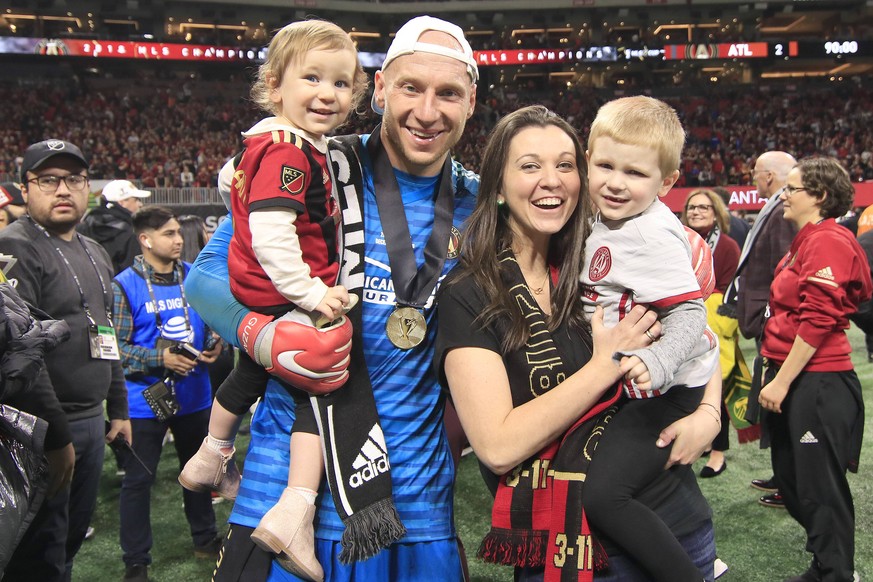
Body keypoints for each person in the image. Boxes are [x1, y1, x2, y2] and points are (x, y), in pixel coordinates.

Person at [185, 15, 480, 582]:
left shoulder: (480, 203)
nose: (427, 111)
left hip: (413, 499)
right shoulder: (310, 163)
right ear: (381, 89)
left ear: (471, 100)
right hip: (282, 489)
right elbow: (203, 279)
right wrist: (263, 336)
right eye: (411, 88)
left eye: (448, 93)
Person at [436, 105, 721, 582]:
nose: (552, 180)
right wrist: (606, 364)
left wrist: (707, 413)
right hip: (567, 545)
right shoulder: (469, 292)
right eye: (530, 166)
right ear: (498, 185)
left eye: (565, 165)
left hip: (675, 527)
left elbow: (695, 325)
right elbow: (499, 446)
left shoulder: (599, 250)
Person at [178, 20, 367, 580]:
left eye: (341, 83)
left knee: (248, 374)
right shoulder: (289, 153)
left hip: (255, 290)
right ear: (274, 83)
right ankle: (296, 511)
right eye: (312, 77)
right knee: (327, 382)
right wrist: (310, 293)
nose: (328, 93)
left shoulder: (270, 141)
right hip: (282, 292)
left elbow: (235, 184)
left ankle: (211, 452)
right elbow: (272, 234)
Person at [574, 96, 718, 581]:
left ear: (668, 182)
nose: (615, 182)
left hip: (671, 389)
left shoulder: (653, 233)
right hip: (637, 383)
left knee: (603, 495)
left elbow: (690, 314)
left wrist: (657, 362)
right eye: (605, 165)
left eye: (634, 173)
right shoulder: (602, 218)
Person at [0, 139, 131, 582]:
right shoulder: (15, 246)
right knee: (39, 552)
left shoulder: (93, 249)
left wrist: (119, 406)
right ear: (26, 188)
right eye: (48, 180)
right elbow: (21, 355)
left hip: (90, 419)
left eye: (73, 180)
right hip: (39, 428)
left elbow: (105, 329)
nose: (62, 190)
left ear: (87, 188)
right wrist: (55, 437)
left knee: (70, 539)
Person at [756, 156, 871, 582]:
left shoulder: (828, 240)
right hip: (799, 375)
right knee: (792, 479)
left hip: (817, 379)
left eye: (793, 188)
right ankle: (827, 563)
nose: (784, 195)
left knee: (820, 486)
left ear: (819, 196)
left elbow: (820, 318)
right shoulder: (808, 239)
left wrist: (782, 382)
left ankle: (837, 573)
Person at [112, 206, 224, 582]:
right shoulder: (124, 284)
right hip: (145, 400)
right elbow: (118, 349)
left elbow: (211, 322)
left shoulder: (193, 276)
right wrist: (159, 358)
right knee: (138, 481)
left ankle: (205, 538)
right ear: (145, 240)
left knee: (198, 474)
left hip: (195, 395)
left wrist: (213, 342)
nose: (178, 240)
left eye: (178, 232)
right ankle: (136, 560)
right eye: (168, 233)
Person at [722, 150, 797, 507]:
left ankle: (790, 482)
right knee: (774, 405)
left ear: (768, 176)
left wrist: (770, 316)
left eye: (754, 172)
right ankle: (783, 475)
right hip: (766, 318)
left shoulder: (783, 212)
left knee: (782, 401)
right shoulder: (775, 209)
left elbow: (785, 272)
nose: (751, 178)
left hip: (774, 322)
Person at [681, 188, 741, 478]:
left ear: (716, 212)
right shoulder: (677, 239)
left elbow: (730, 288)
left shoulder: (727, 245)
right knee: (689, 386)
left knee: (717, 388)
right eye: (692, 207)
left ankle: (718, 453)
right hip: (683, 321)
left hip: (715, 322)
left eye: (703, 207)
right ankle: (700, 442)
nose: (696, 212)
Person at [77, 179, 151, 274]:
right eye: (136, 199)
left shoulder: (82, 227)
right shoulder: (130, 234)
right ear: (122, 202)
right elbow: (132, 275)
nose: (140, 204)